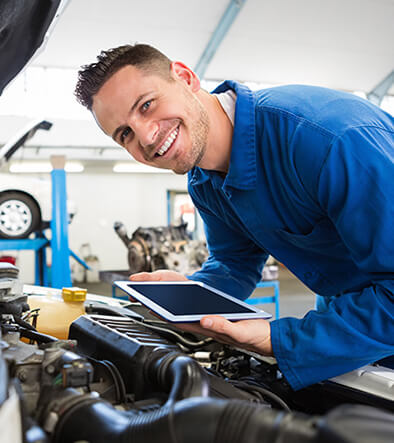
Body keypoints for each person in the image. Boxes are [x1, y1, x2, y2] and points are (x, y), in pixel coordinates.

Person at [75, 44, 394, 390]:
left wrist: (280, 340)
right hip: (356, 328)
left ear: (184, 76)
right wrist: (189, 297)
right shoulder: (203, 182)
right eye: (125, 134)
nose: (146, 137)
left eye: (147, 105)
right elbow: (234, 264)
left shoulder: (328, 140)